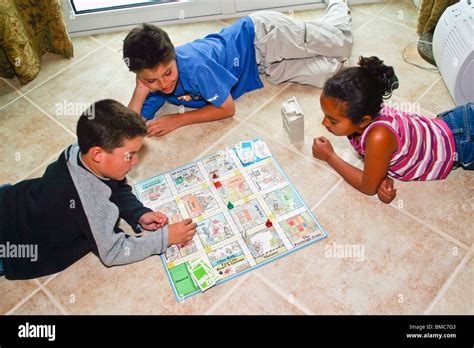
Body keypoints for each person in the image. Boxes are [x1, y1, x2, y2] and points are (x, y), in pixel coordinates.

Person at [0, 100, 196, 280]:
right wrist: (164, 238)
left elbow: (116, 186)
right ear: (98, 155)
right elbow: (113, 252)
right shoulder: (90, 199)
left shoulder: (83, 149)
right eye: (130, 156)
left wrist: (138, 213)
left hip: (9, 201)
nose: (135, 161)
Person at [124, 0, 352, 137]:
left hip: (263, 35)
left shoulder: (195, 67)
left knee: (342, 44)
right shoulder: (151, 85)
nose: (163, 84)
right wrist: (140, 91)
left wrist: (177, 120)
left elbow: (227, 109)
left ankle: (338, 5)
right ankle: (324, 31)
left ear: (173, 56)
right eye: (151, 81)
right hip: (263, 67)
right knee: (330, 74)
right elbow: (128, 128)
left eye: (168, 73)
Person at [312, 56, 473, 204]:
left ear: (364, 121)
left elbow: (367, 187)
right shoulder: (369, 110)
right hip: (453, 125)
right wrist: (380, 175)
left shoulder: (378, 136)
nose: (324, 122)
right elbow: (384, 155)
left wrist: (329, 156)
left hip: (464, 141)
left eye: (333, 120)